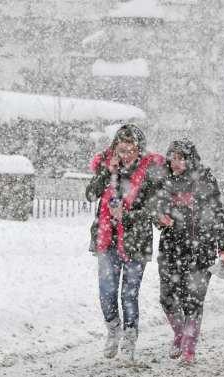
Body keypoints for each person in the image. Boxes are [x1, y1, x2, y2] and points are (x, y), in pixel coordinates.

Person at [85, 124, 166, 360]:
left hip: (136, 241)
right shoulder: (108, 168)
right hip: (106, 238)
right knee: (107, 291)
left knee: (129, 294)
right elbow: (90, 194)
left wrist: (127, 216)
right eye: (122, 146)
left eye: (131, 147)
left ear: (138, 148)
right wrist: (106, 173)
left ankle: (130, 336)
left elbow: (154, 210)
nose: (126, 152)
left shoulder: (149, 172)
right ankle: (113, 330)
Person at [156, 139, 224, 364]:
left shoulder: (205, 180)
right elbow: (155, 210)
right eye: (173, 157)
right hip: (171, 248)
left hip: (202, 249)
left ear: (192, 159)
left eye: (182, 158)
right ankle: (179, 334)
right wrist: (159, 219)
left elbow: (218, 214)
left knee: (193, 300)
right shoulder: (164, 181)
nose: (176, 162)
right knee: (167, 297)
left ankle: (189, 347)